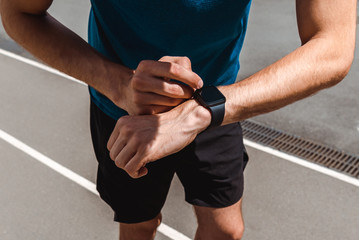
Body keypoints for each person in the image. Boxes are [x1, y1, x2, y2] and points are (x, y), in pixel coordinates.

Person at [0, 0, 356, 239]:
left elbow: (333, 47)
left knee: (226, 229)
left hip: (218, 101)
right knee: (139, 226)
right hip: (124, 110)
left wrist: (199, 113)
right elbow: (18, 11)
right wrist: (119, 84)